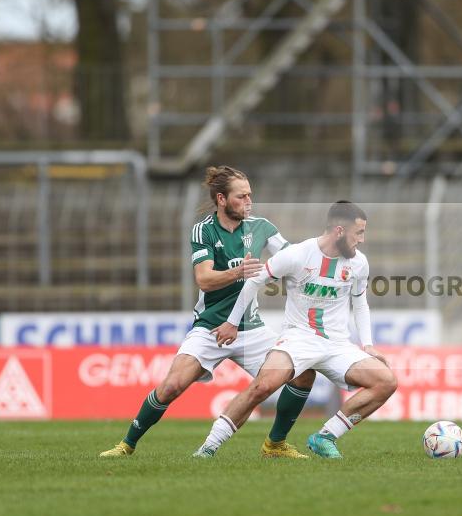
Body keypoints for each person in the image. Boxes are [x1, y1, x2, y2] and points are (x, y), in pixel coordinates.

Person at [100, 165, 315, 459]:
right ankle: (127, 445)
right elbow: (204, 279)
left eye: (250, 195)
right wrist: (240, 271)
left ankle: (275, 444)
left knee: (302, 374)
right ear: (221, 199)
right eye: (241, 196)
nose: (249, 202)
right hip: (210, 327)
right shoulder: (203, 230)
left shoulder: (262, 226)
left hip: (250, 329)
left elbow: (294, 258)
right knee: (172, 385)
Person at [193, 200, 397, 460]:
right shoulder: (298, 254)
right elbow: (254, 281)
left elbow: (360, 303)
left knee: (386, 381)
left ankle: (325, 437)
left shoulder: (359, 263)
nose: (362, 240)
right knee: (262, 387)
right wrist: (232, 322)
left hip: (337, 345)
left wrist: (367, 344)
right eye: (358, 233)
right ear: (339, 231)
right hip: (298, 338)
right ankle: (208, 447)